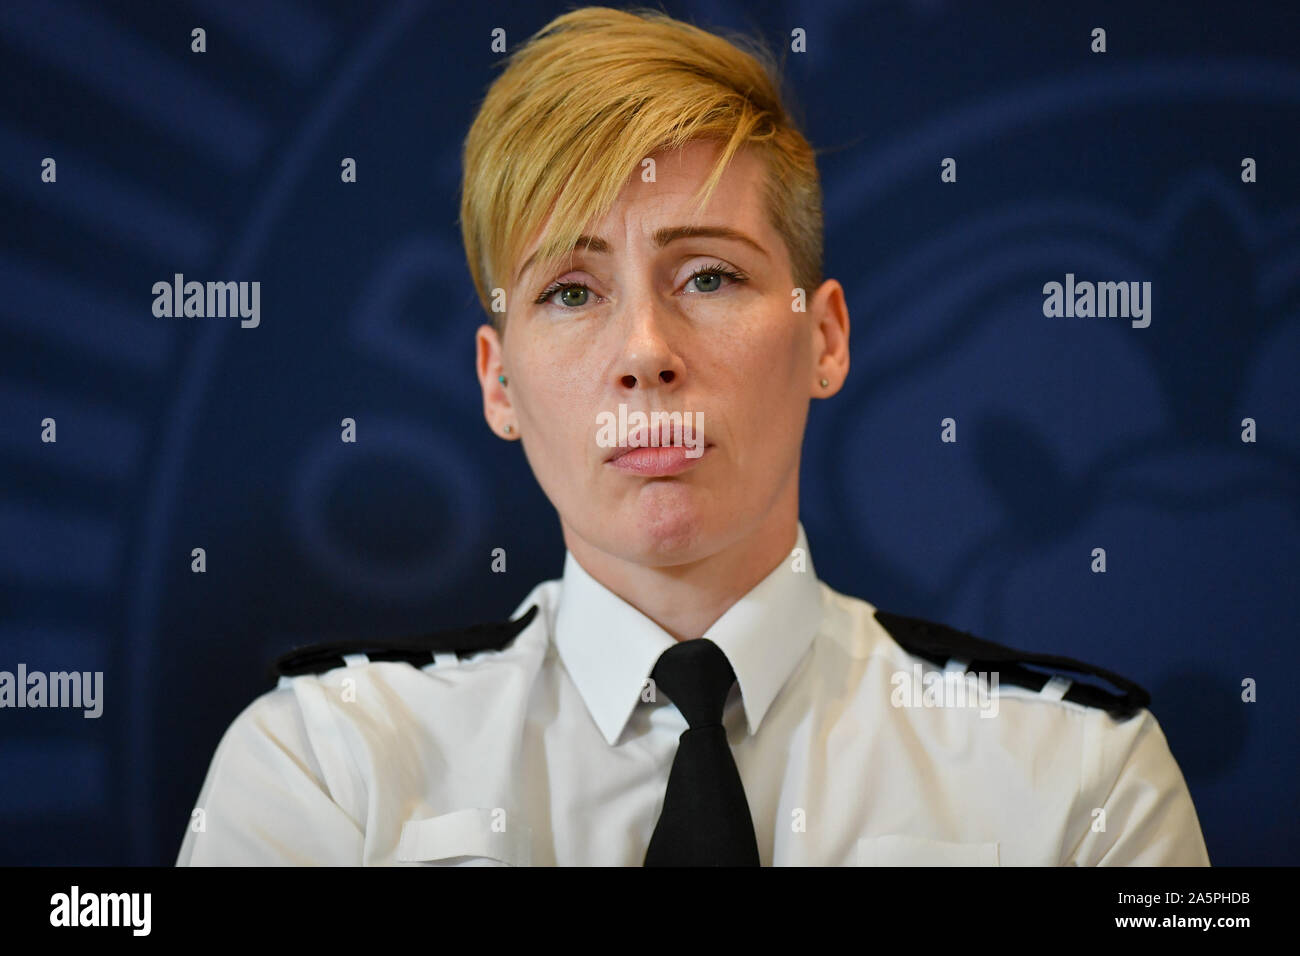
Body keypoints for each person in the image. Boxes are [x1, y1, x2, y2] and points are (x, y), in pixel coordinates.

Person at [176, 6, 1210, 866]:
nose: (644, 350)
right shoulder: (326, 763)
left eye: (709, 275)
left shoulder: (1079, 774)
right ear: (498, 381)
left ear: (826, 337)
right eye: (571, 290)